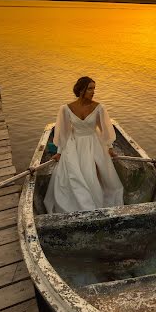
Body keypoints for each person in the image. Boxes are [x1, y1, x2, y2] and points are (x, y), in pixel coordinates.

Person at [44, 76, 124, 213]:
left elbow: (104, 130)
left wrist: (109, 148)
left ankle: (96, 199)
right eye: (90, 89)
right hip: (74, 144)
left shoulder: (99, 108)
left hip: (93, 142)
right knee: (73, 173)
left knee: (92, 172)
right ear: (81, 90)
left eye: (94, 88)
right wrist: (59, 152)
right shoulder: (66, 109)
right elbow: (63, 132)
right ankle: (79, 202)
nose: (93, 92)